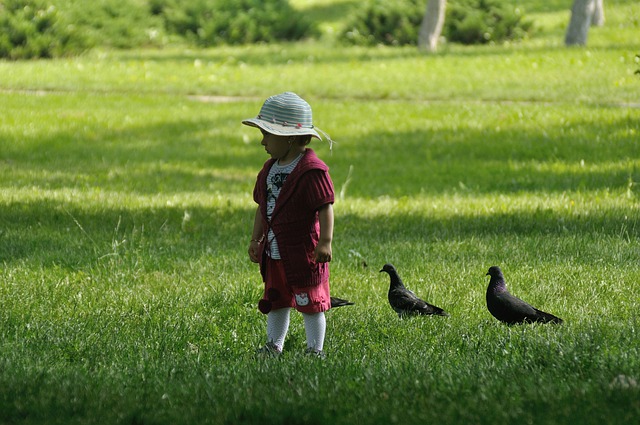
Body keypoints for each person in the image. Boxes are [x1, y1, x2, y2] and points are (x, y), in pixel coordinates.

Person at [244, 92, 335, 358]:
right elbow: (263, 207)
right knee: (276, 300)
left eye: (267, 135)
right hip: (274, 252)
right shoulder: (269, 169)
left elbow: (325, 207)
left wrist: (325, 242)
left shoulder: (311, 171)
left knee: (311, 302)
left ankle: (314, 349)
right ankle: (274, 345)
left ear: (290, 138)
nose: (263, 142)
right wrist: (255, 239)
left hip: (302, 252)